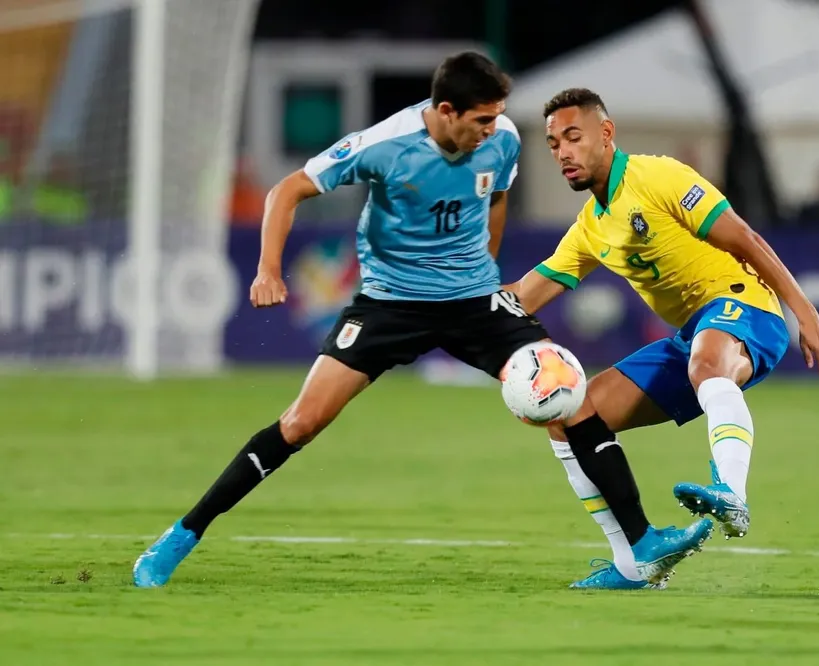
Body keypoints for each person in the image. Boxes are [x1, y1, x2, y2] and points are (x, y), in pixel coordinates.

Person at [132, 56, 710, 588]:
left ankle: (640, 543)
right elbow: (288, 190)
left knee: (571, 397)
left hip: (473, 303)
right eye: (481, 119)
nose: (493, 129)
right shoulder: (386, 144)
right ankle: (182, 534)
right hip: (389, 306)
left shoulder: (501, 140)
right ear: (446, 112)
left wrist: (488, 268)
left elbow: (499, 195)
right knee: (302, 423)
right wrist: (267, 269)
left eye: (498, 117)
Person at [506, 88, 819, 589]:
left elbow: (746, 240)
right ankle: (635, 560)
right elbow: (522, 297)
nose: (562, 152)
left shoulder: (657, 176)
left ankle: (731, 491)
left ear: (606, 133)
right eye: (553, 142)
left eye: (573, 137)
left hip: (747, 308)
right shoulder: (590, 228)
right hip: (692, 337)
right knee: (571, 418)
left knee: (707, 364)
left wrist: (808, 317)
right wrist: (449, 312)